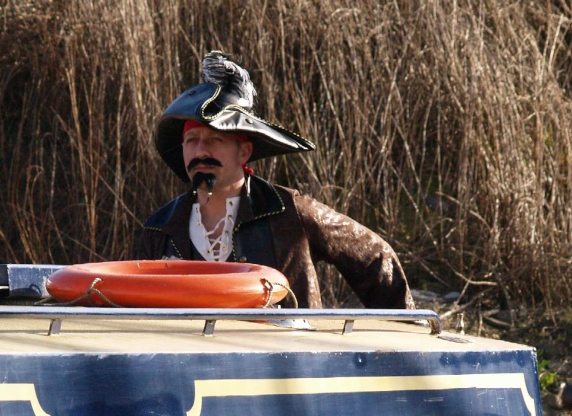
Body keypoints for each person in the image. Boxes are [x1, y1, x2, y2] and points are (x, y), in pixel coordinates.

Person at [134, 51, 414, 309]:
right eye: (191, 141)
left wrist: (401, 336)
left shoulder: (290, 212)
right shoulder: (161, 228)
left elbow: (375, 257)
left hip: (286, 359)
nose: (200, 152)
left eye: (215, 140)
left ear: (244, 151)